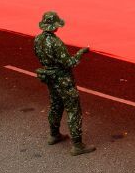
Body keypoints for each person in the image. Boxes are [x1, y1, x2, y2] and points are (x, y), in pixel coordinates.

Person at [34, 11, 94, 156]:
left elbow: (37, 55)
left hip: (50, 78)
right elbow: (69, 63)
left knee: (55, 105)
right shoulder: (55, 42)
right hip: (63, 80)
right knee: (73, 109)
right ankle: (77, 145)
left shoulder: (37, 39)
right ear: (54, 25)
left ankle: (54, 134)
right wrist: (81, 53)